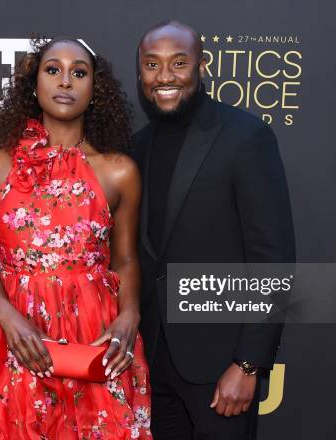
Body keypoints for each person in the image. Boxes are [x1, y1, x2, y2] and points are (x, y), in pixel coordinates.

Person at [0, 37, 151, 439]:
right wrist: (7, 317)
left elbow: (126, 259)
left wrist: (130, 314)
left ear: (95, 91)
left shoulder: (119, 171)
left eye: (79, 73)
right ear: (34, 84)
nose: (65, 82)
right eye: (52, 69)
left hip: (96, 338)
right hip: (16, 336)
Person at [132, 21, 295, 439]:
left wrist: (247, 364)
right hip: (154, 363)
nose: (164, 76)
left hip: (220, 369)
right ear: (140, 74)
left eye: (179, 63)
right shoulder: (137, 146)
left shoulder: (245, 137)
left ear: (202, 67)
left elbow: (273, 261)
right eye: (152, 65)